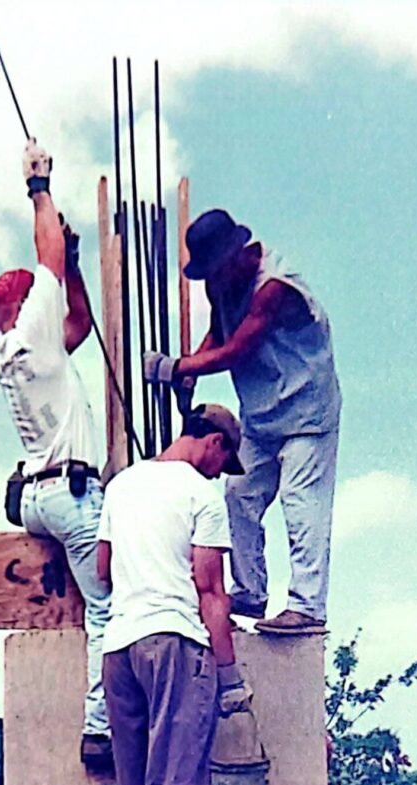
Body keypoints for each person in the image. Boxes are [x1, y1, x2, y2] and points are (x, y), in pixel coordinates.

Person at [143, 209, 340, 636]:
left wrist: (176, 367)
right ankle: (249, 591)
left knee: (300, 500)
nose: (212, 282)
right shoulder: (224, 283)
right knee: (239, 492)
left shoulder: (275, 289)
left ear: (238, 256)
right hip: (262, 414)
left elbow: (237, 349)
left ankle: (307, 606)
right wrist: (192, 368)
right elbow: (219, 331)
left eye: (215, 271)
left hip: (307, 413)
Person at [97, 404, 254, 785]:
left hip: (119, 649)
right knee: (178, 782)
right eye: (223, 459)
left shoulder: (121, 486)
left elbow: (102, 568)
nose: (219, 471)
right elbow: (212, 591)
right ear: (213, 443)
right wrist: (230, 677)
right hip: (175, 643)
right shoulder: (201, 495)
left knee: (136, 779)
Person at [0, 139, 112, 770]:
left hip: (42, 493)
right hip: (70, 495)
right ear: (22, 306)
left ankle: (102, 723)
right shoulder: (28, 327)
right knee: (110, 610)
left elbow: (78, 323)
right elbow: (50, 268)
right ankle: (99, 733)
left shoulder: (26, 352)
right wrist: (39, 187)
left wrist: (77, 264)